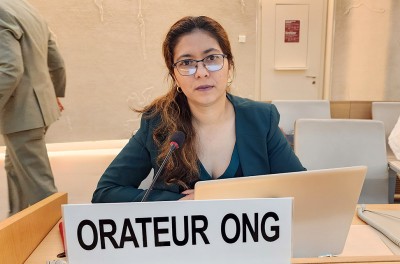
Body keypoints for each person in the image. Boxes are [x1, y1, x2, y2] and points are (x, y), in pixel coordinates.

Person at [92, 16, 305, 203]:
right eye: (187, 62)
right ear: (174, 75)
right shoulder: (157, 122)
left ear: (229, 65)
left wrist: (216, 196)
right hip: (181, 247)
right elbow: (106, 193)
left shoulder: (261, 118)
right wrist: (177, 202)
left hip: (251, 245)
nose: (201, 72)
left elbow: (300, 188)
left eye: (211, 58)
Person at [0, 0, 66, 215]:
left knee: (41, 188)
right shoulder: (25, 7)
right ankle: (15, 226)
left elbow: (10, 69)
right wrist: (54, 93)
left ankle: (58, 240)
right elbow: (56, 60)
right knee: (15, 170)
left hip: (21, 114)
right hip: (37, 110)